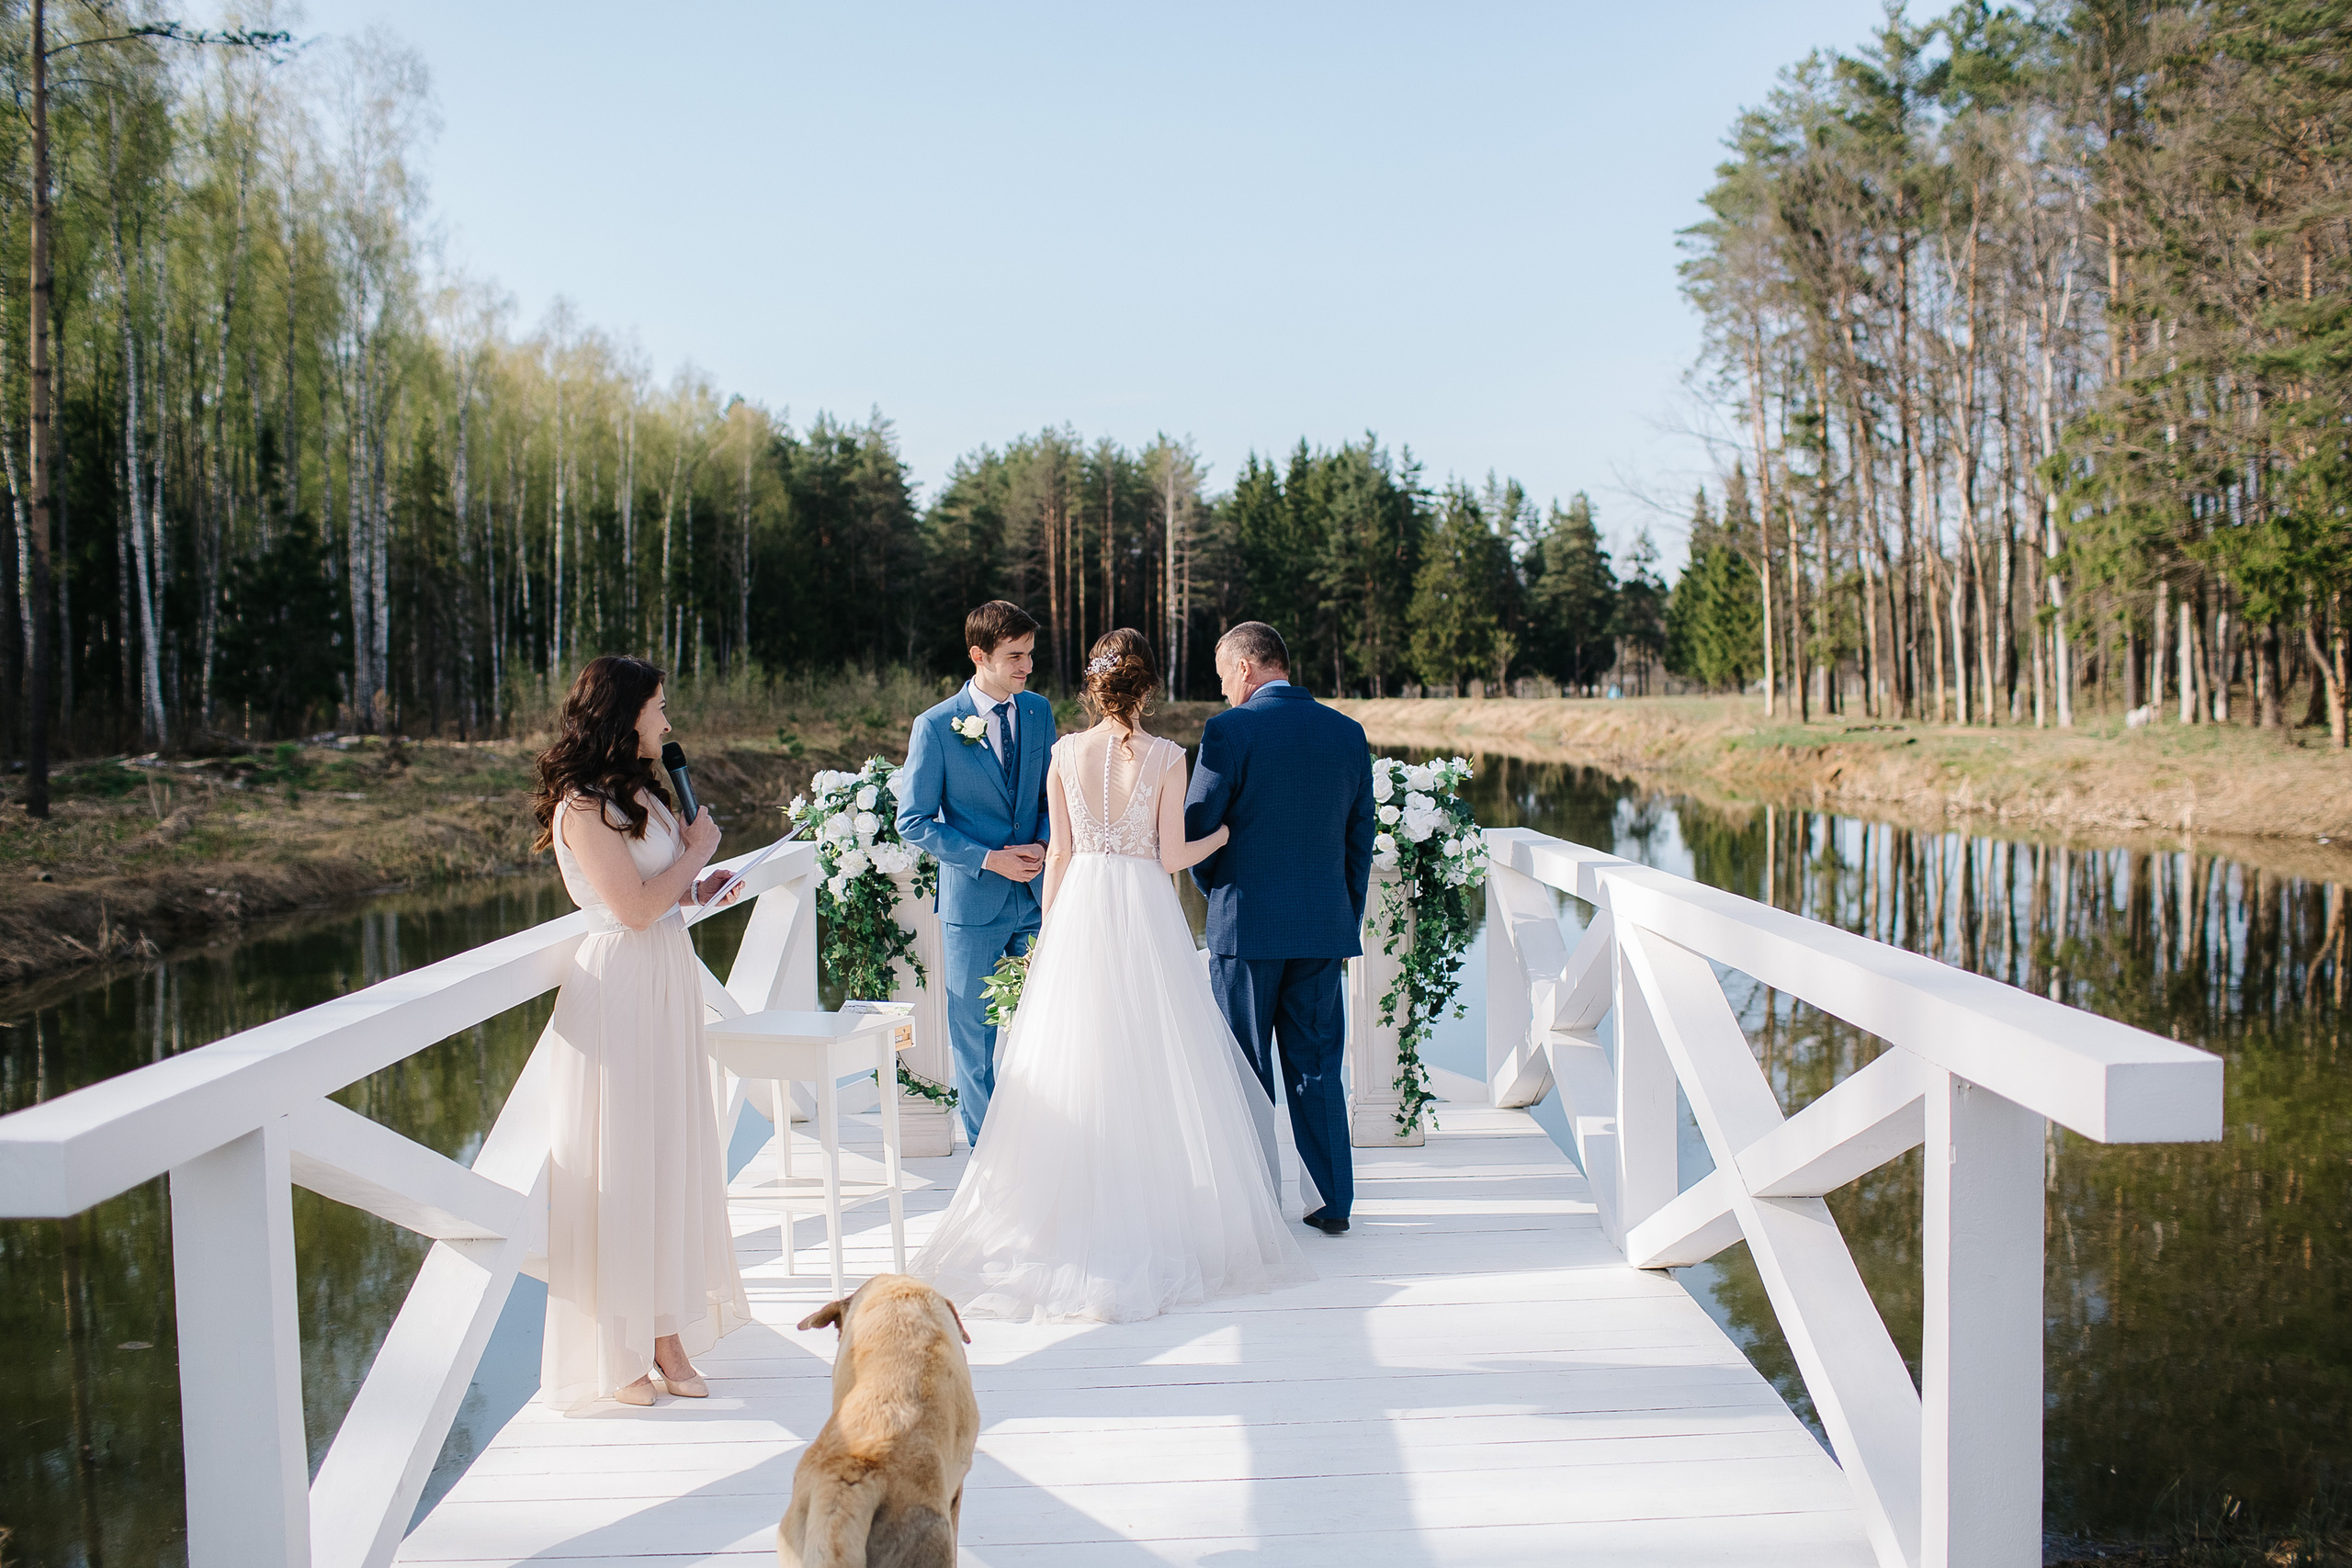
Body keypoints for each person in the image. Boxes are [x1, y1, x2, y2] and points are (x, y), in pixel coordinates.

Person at [910, 629, 1315, 1323]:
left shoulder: (1065, 752)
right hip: (1144, 909)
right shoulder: (1168, 756)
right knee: (1155, 1054)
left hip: (1080, 910)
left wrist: (1048, 935)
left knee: (1077, 1054)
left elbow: (1059, 854)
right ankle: (1151, 1197)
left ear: (1094, 689)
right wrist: (1224, 835)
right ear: (1147, 688)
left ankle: (1072, 1202)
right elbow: (1171, 856)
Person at [531, 655, 750, 1411]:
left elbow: (660, 895)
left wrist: (699, 883)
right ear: (624, 714)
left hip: (666, 977)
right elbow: (628, 909)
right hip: (620, 987)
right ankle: (619, 1346)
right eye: (658, 706)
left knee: (667, 1157)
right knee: (622, 1164)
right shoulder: (581, 807)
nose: (667, 720)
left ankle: (665, 1334)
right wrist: (696, 853)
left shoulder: (643, 795)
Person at [1185, 621, 1376, 1235]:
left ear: (1245, 667)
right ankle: (1331, 1202)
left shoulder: (1229, 730)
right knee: (1317, 1067)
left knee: (1245, 1069)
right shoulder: (1347, 732)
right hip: (1322, 927)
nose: (1223, 689)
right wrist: (1340, 912)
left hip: (1246, 928)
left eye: (1223, 675)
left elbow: (1196, 832)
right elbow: (1360, 839)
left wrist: (1220, 895)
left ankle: (1256, 1203)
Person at [895, 602, 1057, 1144]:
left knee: (1051, 1023)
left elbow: (1051, 795)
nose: (1026, 666)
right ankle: (988, 1154)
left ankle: (1047, 1143)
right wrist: (989, 858)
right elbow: (912, 821)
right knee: (973, 1035)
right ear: (978, 655)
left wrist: (1042, 843)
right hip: (974, 904)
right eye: (1014, 656)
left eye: (1029, 654)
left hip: (1038, 897)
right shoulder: (935, 726)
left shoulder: (1038, 712)